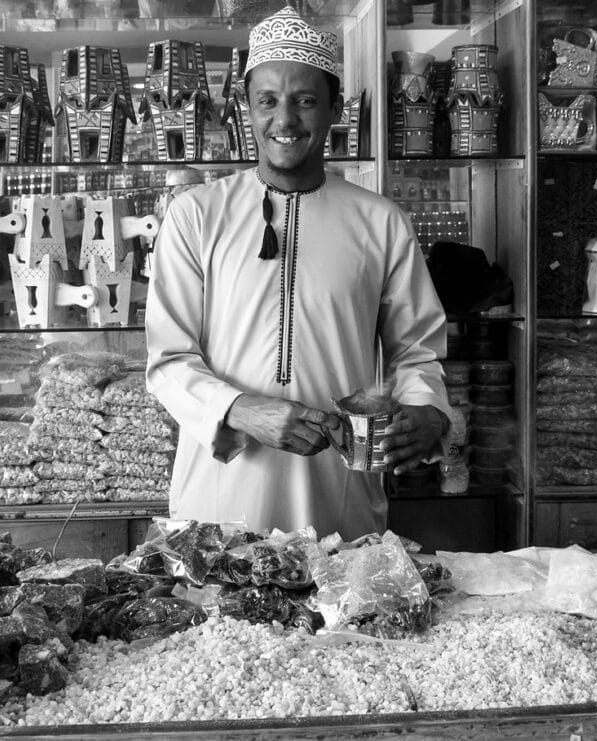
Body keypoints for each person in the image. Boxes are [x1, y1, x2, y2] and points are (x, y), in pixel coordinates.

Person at [145, 7, 451, 540]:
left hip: (339, 489)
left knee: (341, 618)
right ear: (247, 108)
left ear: (334, 109)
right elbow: (167, 362)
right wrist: (240, 409)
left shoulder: (378, 221)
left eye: (305, 101)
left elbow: (416, 350)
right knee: (222, 618)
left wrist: (428, 412)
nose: (284, 121)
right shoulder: (196, 213)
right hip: (223, 488)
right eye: (267, 101)